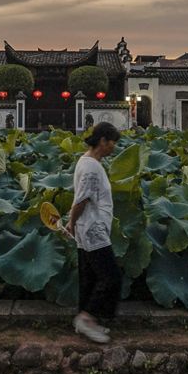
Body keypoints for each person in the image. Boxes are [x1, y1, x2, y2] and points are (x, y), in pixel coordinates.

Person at [65, 122, 122, 344]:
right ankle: (87, 318)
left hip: (88, 228)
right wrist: (71, 223)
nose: (114, 147)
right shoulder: (91, 167)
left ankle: (86, 319)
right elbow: (81, 200)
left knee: (90, 277)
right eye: (113, 142)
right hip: (92, 230)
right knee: (111, 276)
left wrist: (73, 223)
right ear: (103, 141)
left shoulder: (87, 162)